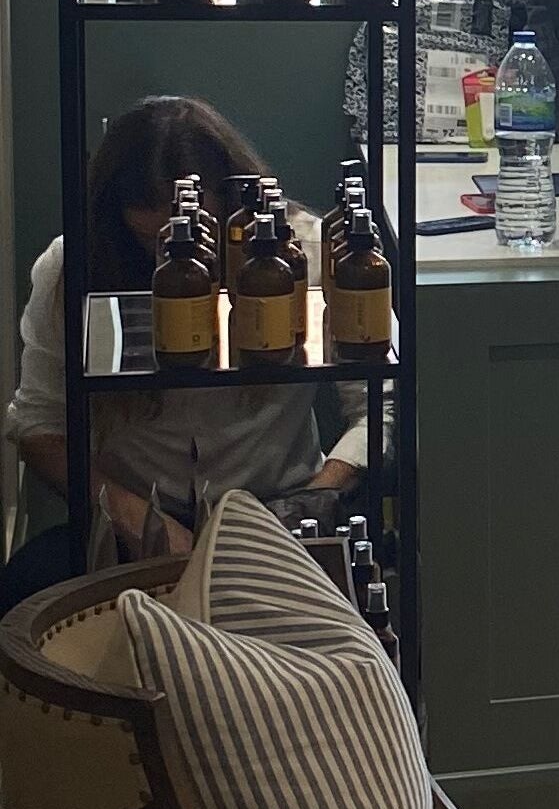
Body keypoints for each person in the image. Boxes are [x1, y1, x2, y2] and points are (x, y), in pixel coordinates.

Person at [0, 97, 366, 610]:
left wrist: (313, 500)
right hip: (135, 521)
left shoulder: (308, 251)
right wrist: (133, 517)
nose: (174, 254)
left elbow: (377, 411)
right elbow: (37, 424)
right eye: (149, 239)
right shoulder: (72, 266)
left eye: (199, 233)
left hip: (276, 512)